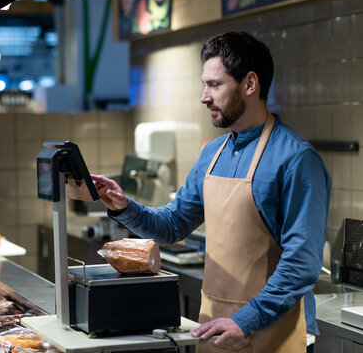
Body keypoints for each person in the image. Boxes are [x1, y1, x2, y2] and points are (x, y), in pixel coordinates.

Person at [92, 31, 330, 353]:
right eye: (204, 85)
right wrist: (124, 206)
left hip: (276, 333)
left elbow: (301, 264)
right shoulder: (212, 153)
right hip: (217, 328)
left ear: (249, 84)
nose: (204, 96)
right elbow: (173, 225)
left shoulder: (296, 159)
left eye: (215, 85)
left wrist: (245, 320)